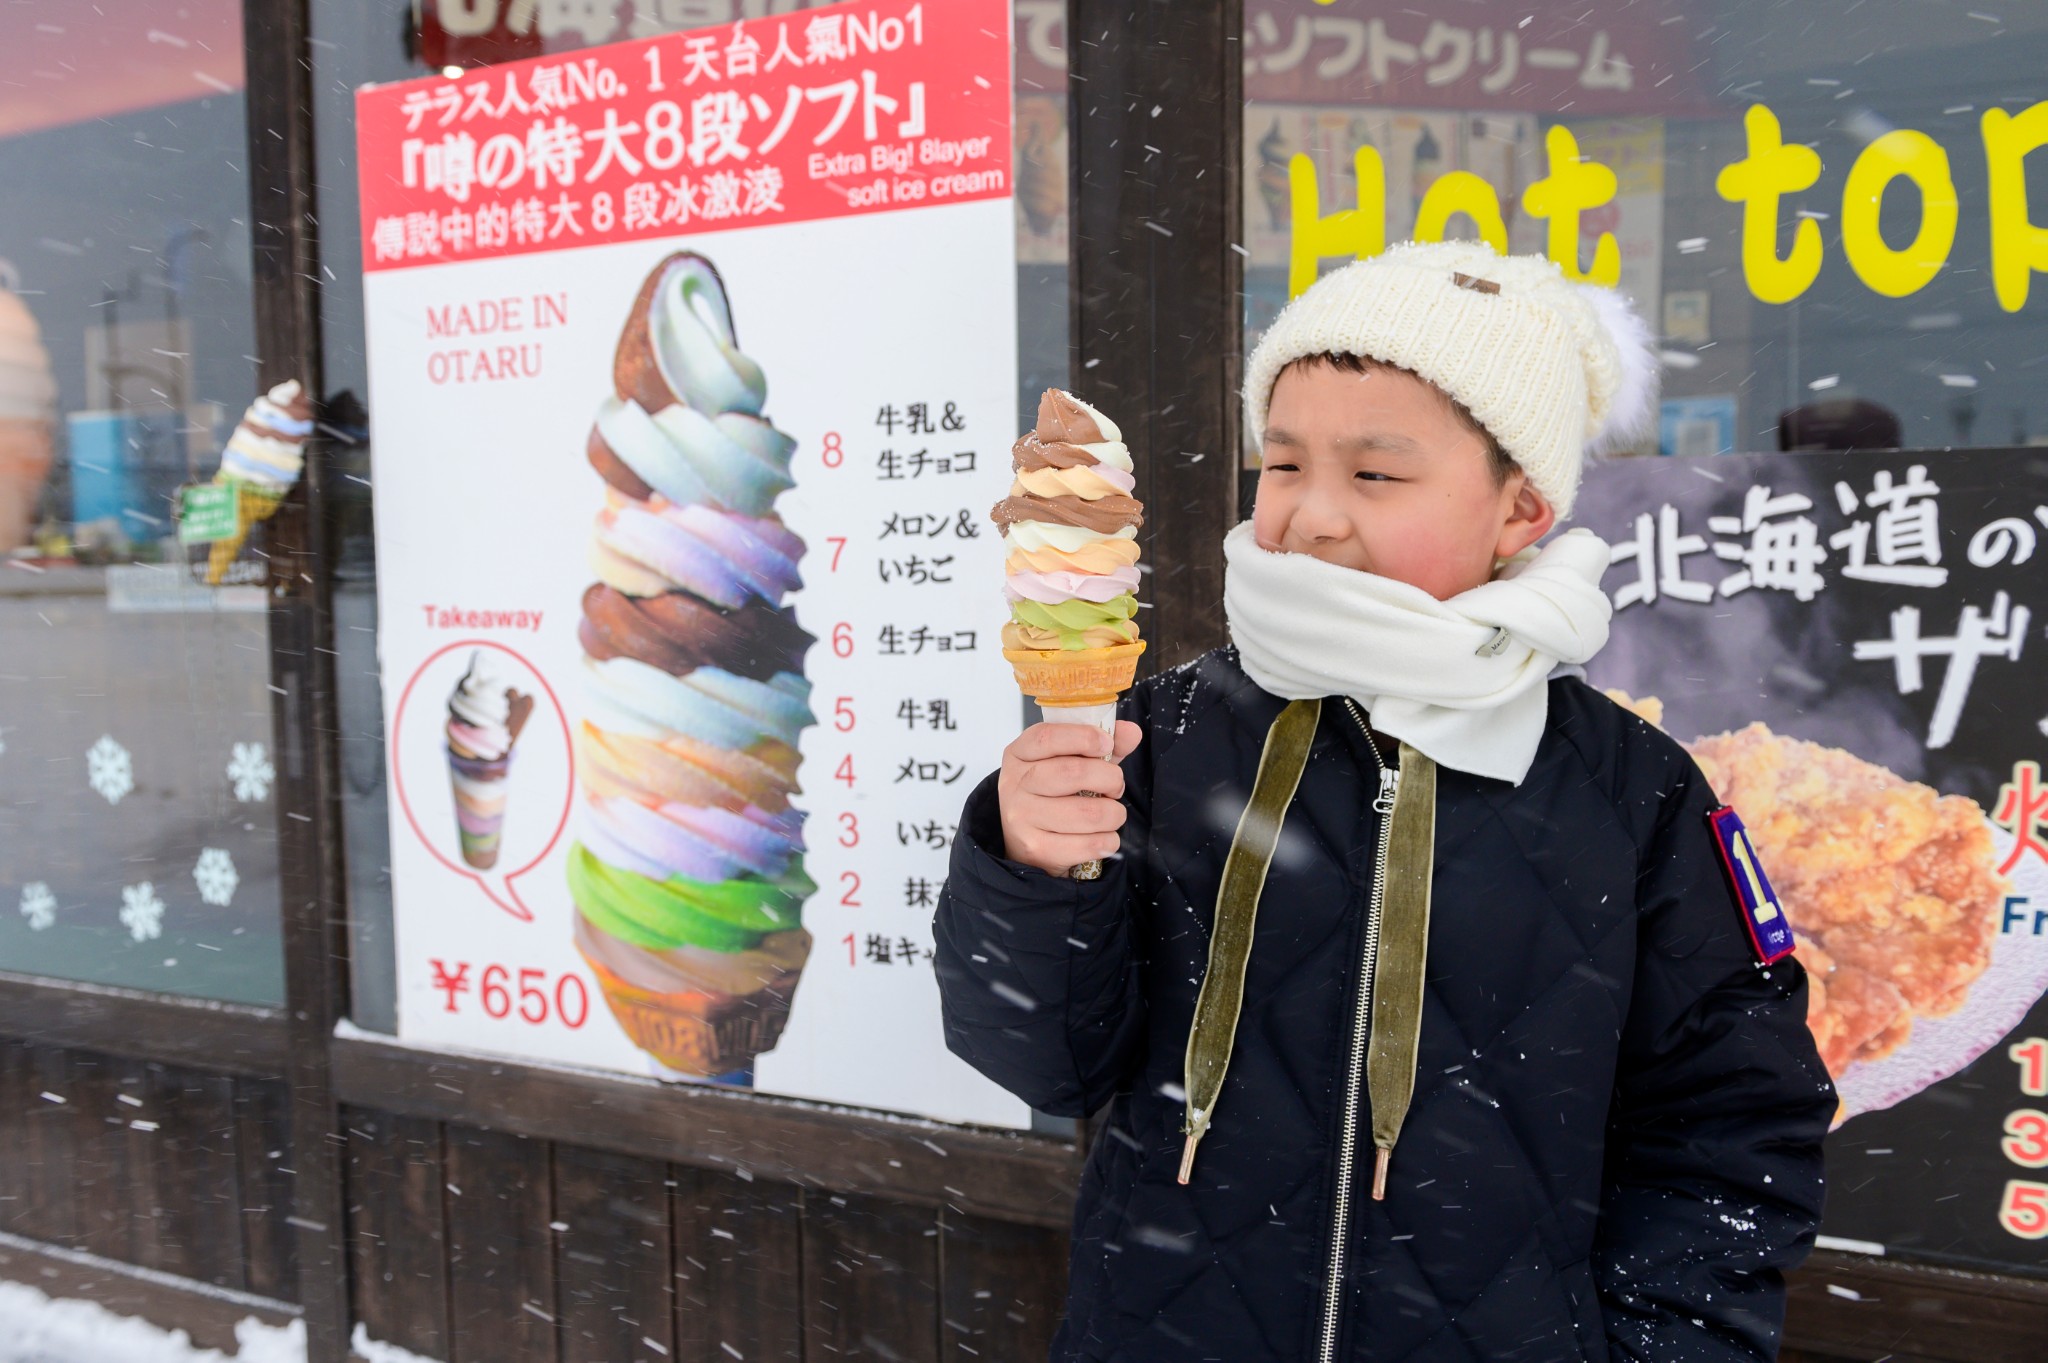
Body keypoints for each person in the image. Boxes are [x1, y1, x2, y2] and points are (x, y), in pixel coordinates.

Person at [934, 239, 1834, 1363]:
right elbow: (1042, 1060)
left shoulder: (1631, 792)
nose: (1310, 515)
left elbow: (1729, 1127)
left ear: (1520, 509)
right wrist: (1029, 868)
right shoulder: (1153, 737)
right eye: (1281, 463)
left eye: (1372, 474)